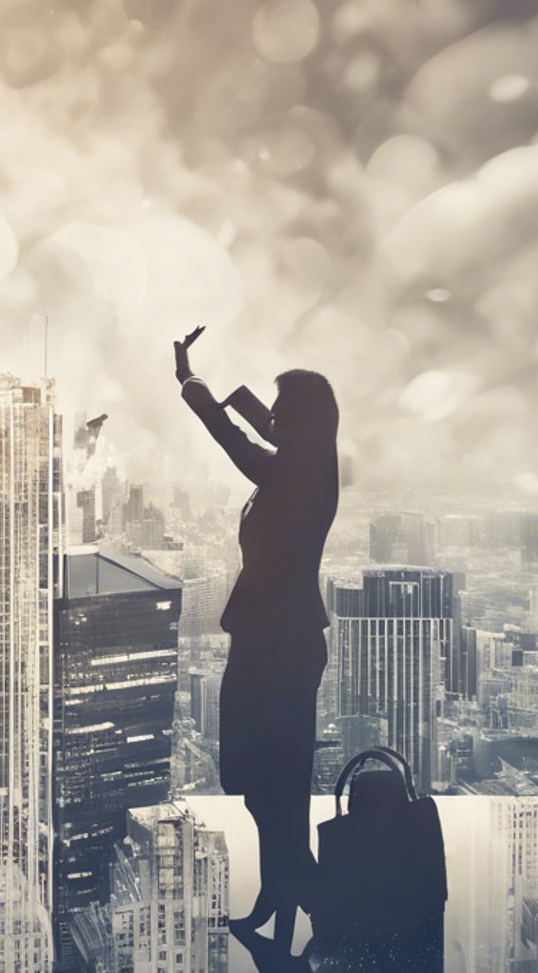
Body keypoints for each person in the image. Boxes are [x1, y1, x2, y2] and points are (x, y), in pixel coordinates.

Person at [173, 326, 339, 963]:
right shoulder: (304, 463)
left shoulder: (298, 471)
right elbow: (264, 429)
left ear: (297, 421)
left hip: (281, 645)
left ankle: (298, 894)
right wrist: (215, 384)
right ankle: (282, 890)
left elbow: (236, 439)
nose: (271, 415)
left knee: (275, 780)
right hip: (274, 640)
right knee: (266, 780)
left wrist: (191, 383)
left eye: (280, 408)